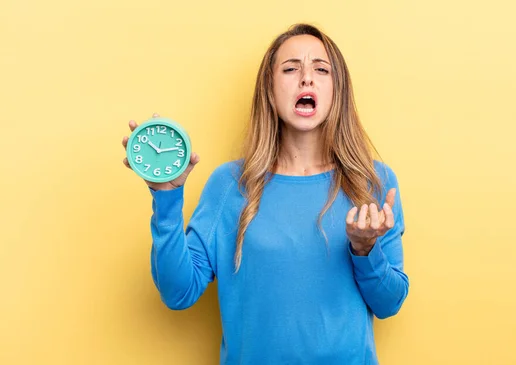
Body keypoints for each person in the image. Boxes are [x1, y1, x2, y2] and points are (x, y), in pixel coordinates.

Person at [122, 23, 409, 365]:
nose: (307, 78)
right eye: (290, 69)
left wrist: (366, 249)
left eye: (321, 69)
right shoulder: (229, 185)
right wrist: (166, 200)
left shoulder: (373, 182)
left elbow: (390, 303)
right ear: (270, 91)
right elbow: (178, 292)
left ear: (338, 91)